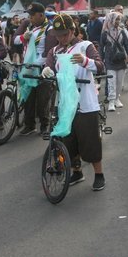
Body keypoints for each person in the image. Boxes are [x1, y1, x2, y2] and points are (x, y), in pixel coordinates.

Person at [42, 13, 106, 191]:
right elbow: (50, 68)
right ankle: (76, 171)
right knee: (69, 140)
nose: (61, 38)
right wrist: (47, 71)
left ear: (72, 30)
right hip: (65, 103)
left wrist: (85, 61)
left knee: (90, 140)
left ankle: (99, 174)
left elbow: (100, 66)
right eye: (58, 35)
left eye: (64, 34)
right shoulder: (54, 51)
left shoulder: (85, 46)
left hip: (85, 101)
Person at [13, 2, 57, 135]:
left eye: (33, 15)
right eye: (29, 15)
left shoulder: (49, 29)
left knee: (43, 99)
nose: (30, 18)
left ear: (41, 15)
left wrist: (34, 64)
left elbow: (49, 51)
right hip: (29, 68)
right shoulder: (30, 28)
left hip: (43, 68)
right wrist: (23, 32)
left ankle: (45, 125)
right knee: (29, 97)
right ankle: (29, 125)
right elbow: (15, 40)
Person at [99, 11, 128, 112]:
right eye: (116, 19)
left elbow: (127, 45)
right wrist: (100, 60)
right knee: (111, 82)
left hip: (120, 60)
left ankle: (117, 99)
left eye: (119, 19)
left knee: (120, 82)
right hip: (109, 61)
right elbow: (101, 47)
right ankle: (111, 101)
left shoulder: (122, 31)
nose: (118, 21)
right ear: (110, 20)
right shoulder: (105, 33)